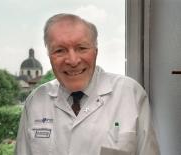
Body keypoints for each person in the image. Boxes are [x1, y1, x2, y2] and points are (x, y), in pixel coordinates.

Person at [15, 13, 160, 155]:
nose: (72, 61)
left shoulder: (130, 93)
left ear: (96, 51)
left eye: (82, 48)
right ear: (49, 56)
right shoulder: (35, 101)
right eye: (60, 50)